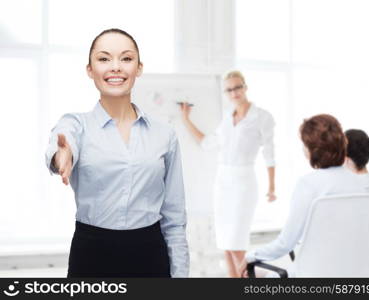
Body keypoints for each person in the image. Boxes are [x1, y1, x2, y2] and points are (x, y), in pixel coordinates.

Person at [45, 28, 189, 278]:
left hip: (150, 254)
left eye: (126, 58)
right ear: (90, 70)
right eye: (103, 59)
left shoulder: (165, 135)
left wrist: (180, 276)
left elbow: (174, 217)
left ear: (139, 68)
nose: (115, 67)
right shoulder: (76, 125)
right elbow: (63, 143)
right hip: (91, 254)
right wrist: (61, 156)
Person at [239, 114, 368, 277]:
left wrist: (251, 256)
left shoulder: (308, 184)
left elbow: (285, 244)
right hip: (353, 275)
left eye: (304, 145)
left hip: (313, 274)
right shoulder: (360, 186)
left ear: (311, 150)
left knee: (251, 273)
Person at [180, 70, 276, 277]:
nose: (234, 92)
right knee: (225, 241)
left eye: (237, 87)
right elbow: (207, 143)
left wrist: (272, 187)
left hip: (244, 181)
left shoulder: (262, 117)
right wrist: (186, 119)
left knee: (236, 240)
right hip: (223, 182)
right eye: (229, 89)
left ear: (245, 87)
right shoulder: (226, 118)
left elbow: (269, 154)